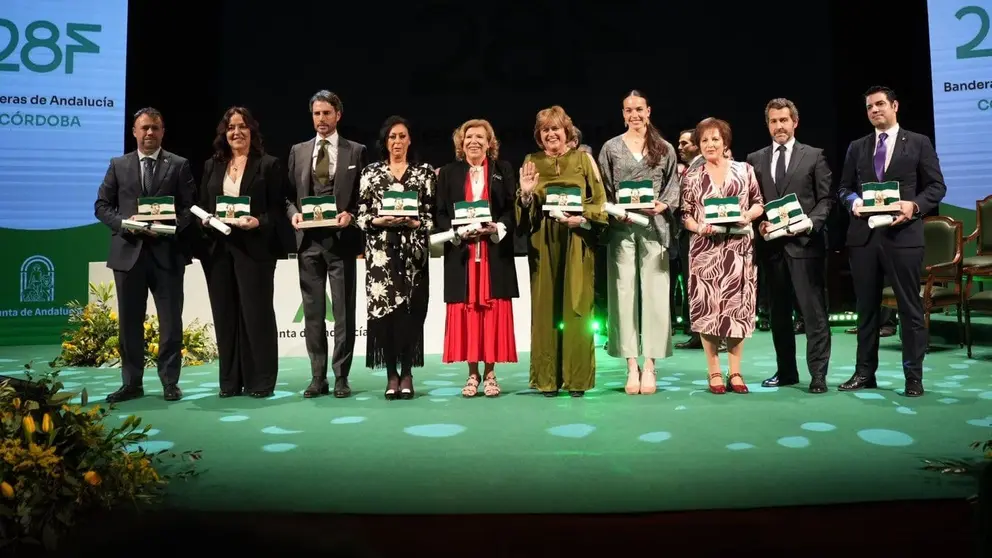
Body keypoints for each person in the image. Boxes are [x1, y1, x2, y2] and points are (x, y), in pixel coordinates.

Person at [836, 86, 947, 397]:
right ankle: (864, 374)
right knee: (867, 310)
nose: (875, 110)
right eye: (870, 106)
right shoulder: (857, 147)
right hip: (864, 237)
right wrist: (854, 202)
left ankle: (913, 377)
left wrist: (915, 206)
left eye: (881, 104)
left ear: (895, 106)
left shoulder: (919, 142)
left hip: (904, 236)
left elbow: (937, 187)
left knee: (911, 309)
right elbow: (843, 188)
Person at [94, 107, 196, 403]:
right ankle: (132, 383)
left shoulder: (179, 164)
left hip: (168, 254)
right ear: (134, 132)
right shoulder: (118, 164)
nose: (149, 133)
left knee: (170, 323)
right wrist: (125, 224)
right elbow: (101, 206)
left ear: (162, 132)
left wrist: (172, 226)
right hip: (128, 254)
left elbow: (189, 207)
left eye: (155, 128)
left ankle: (169, 382)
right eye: (144, 128)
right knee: (128, 323)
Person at [195, 107, 288, 398]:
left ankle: (261, 381)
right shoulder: (212, 165)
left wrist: (258, 221)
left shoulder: (268, 165)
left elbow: (277, 210)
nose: (237, 132)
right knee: (225, 315)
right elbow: (202, 203)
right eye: (231, 127)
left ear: (252, 132)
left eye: (242, 127)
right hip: (218, 248)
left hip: (255, 248)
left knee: (256, 314)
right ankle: (230, 382)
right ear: (224, 133)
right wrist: (204, 218)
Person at [517, 105, 608, 397]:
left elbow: (600, 203)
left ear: (567, 131)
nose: (551, 134)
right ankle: (547, 379)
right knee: (545, 310)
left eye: (555, 128)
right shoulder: (531, 161)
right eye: (545, 130)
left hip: (576, 239)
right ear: (539, 136)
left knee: (577, 308)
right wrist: (526, 193)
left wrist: (582, 217)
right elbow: (523, 210)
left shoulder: (584, 160)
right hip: (543, 241)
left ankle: (577, 380)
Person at [746, 98, 834, 393]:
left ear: (795, 122)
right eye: (773, 121)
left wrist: (810, 222)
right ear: (767, 124)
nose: (779, 126)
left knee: (813, 314)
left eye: (784, 120)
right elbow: (753, 203)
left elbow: (826, 199)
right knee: (779, 316)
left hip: (805, 245)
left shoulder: (814, 156)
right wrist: (759, 224)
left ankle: (818, 375)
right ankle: (786, 372)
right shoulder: (754, 159)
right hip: (772, 249)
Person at [597, 90, 680, 395]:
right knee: (623, 295)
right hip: (622, 230)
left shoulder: (664, 148)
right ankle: (631, 366)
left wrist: (663, 205)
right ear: (623, 114)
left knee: (656, 297)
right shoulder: (610, 148)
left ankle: (650, 366)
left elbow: (673, 187)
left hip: (654, 229)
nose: (634, 115)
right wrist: (615, 211)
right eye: (628, 110)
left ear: (649, 111)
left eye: (639, 109)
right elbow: (604, 189)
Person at [285, 90, 367, 399]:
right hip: (308, 243)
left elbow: (363, 195)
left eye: (327, 113)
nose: (322, 119)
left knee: (344, 312)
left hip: (341, 242)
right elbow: (287, 195)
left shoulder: (355, 151)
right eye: (317, 113)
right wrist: (293, 215)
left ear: (338, 116)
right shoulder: (298, 150)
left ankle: (342, 376)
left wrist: (352, 214)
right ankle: (317, 376)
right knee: (313, 313)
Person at [435, 119, 519, 397]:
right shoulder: (447, 173)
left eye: (480, 137)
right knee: (468, 313)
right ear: (461, 143)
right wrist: (458, 232)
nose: (474, 141)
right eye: (469, 136)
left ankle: (491, 374)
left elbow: (510, 209)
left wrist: (498, 228)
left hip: (494, 254)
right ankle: (472, 375)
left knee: (492, 310)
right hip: (463, 254)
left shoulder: (503, 170)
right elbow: (440, 213)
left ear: (489, 142)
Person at [680, 117, 764, 394]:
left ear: (725, 142)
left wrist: (746, 216)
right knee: (709, 310)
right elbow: (685, 216)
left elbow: (758, 204)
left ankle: (736, 372)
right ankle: (714, 371)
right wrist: (699, 227)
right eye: (704, 140)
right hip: (705, 251)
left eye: (715, 139)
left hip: (738, 249)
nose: (710, 144)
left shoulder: (744, 170)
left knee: (737, 310)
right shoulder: (692, 176)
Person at [356, 116, 435, 400]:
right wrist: (379, 220)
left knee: (411, 316)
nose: (398, 142)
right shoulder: (371, 173)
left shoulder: (424, 173)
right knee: (386, 318)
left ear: (409, 140)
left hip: (414, 255)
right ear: (385, 141)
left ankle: (408, 373)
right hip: (380, 256)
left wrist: (416, 224)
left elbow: (431, 215)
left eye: (402, 136)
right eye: (392, 137)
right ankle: (391, 374)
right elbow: (361, 215)